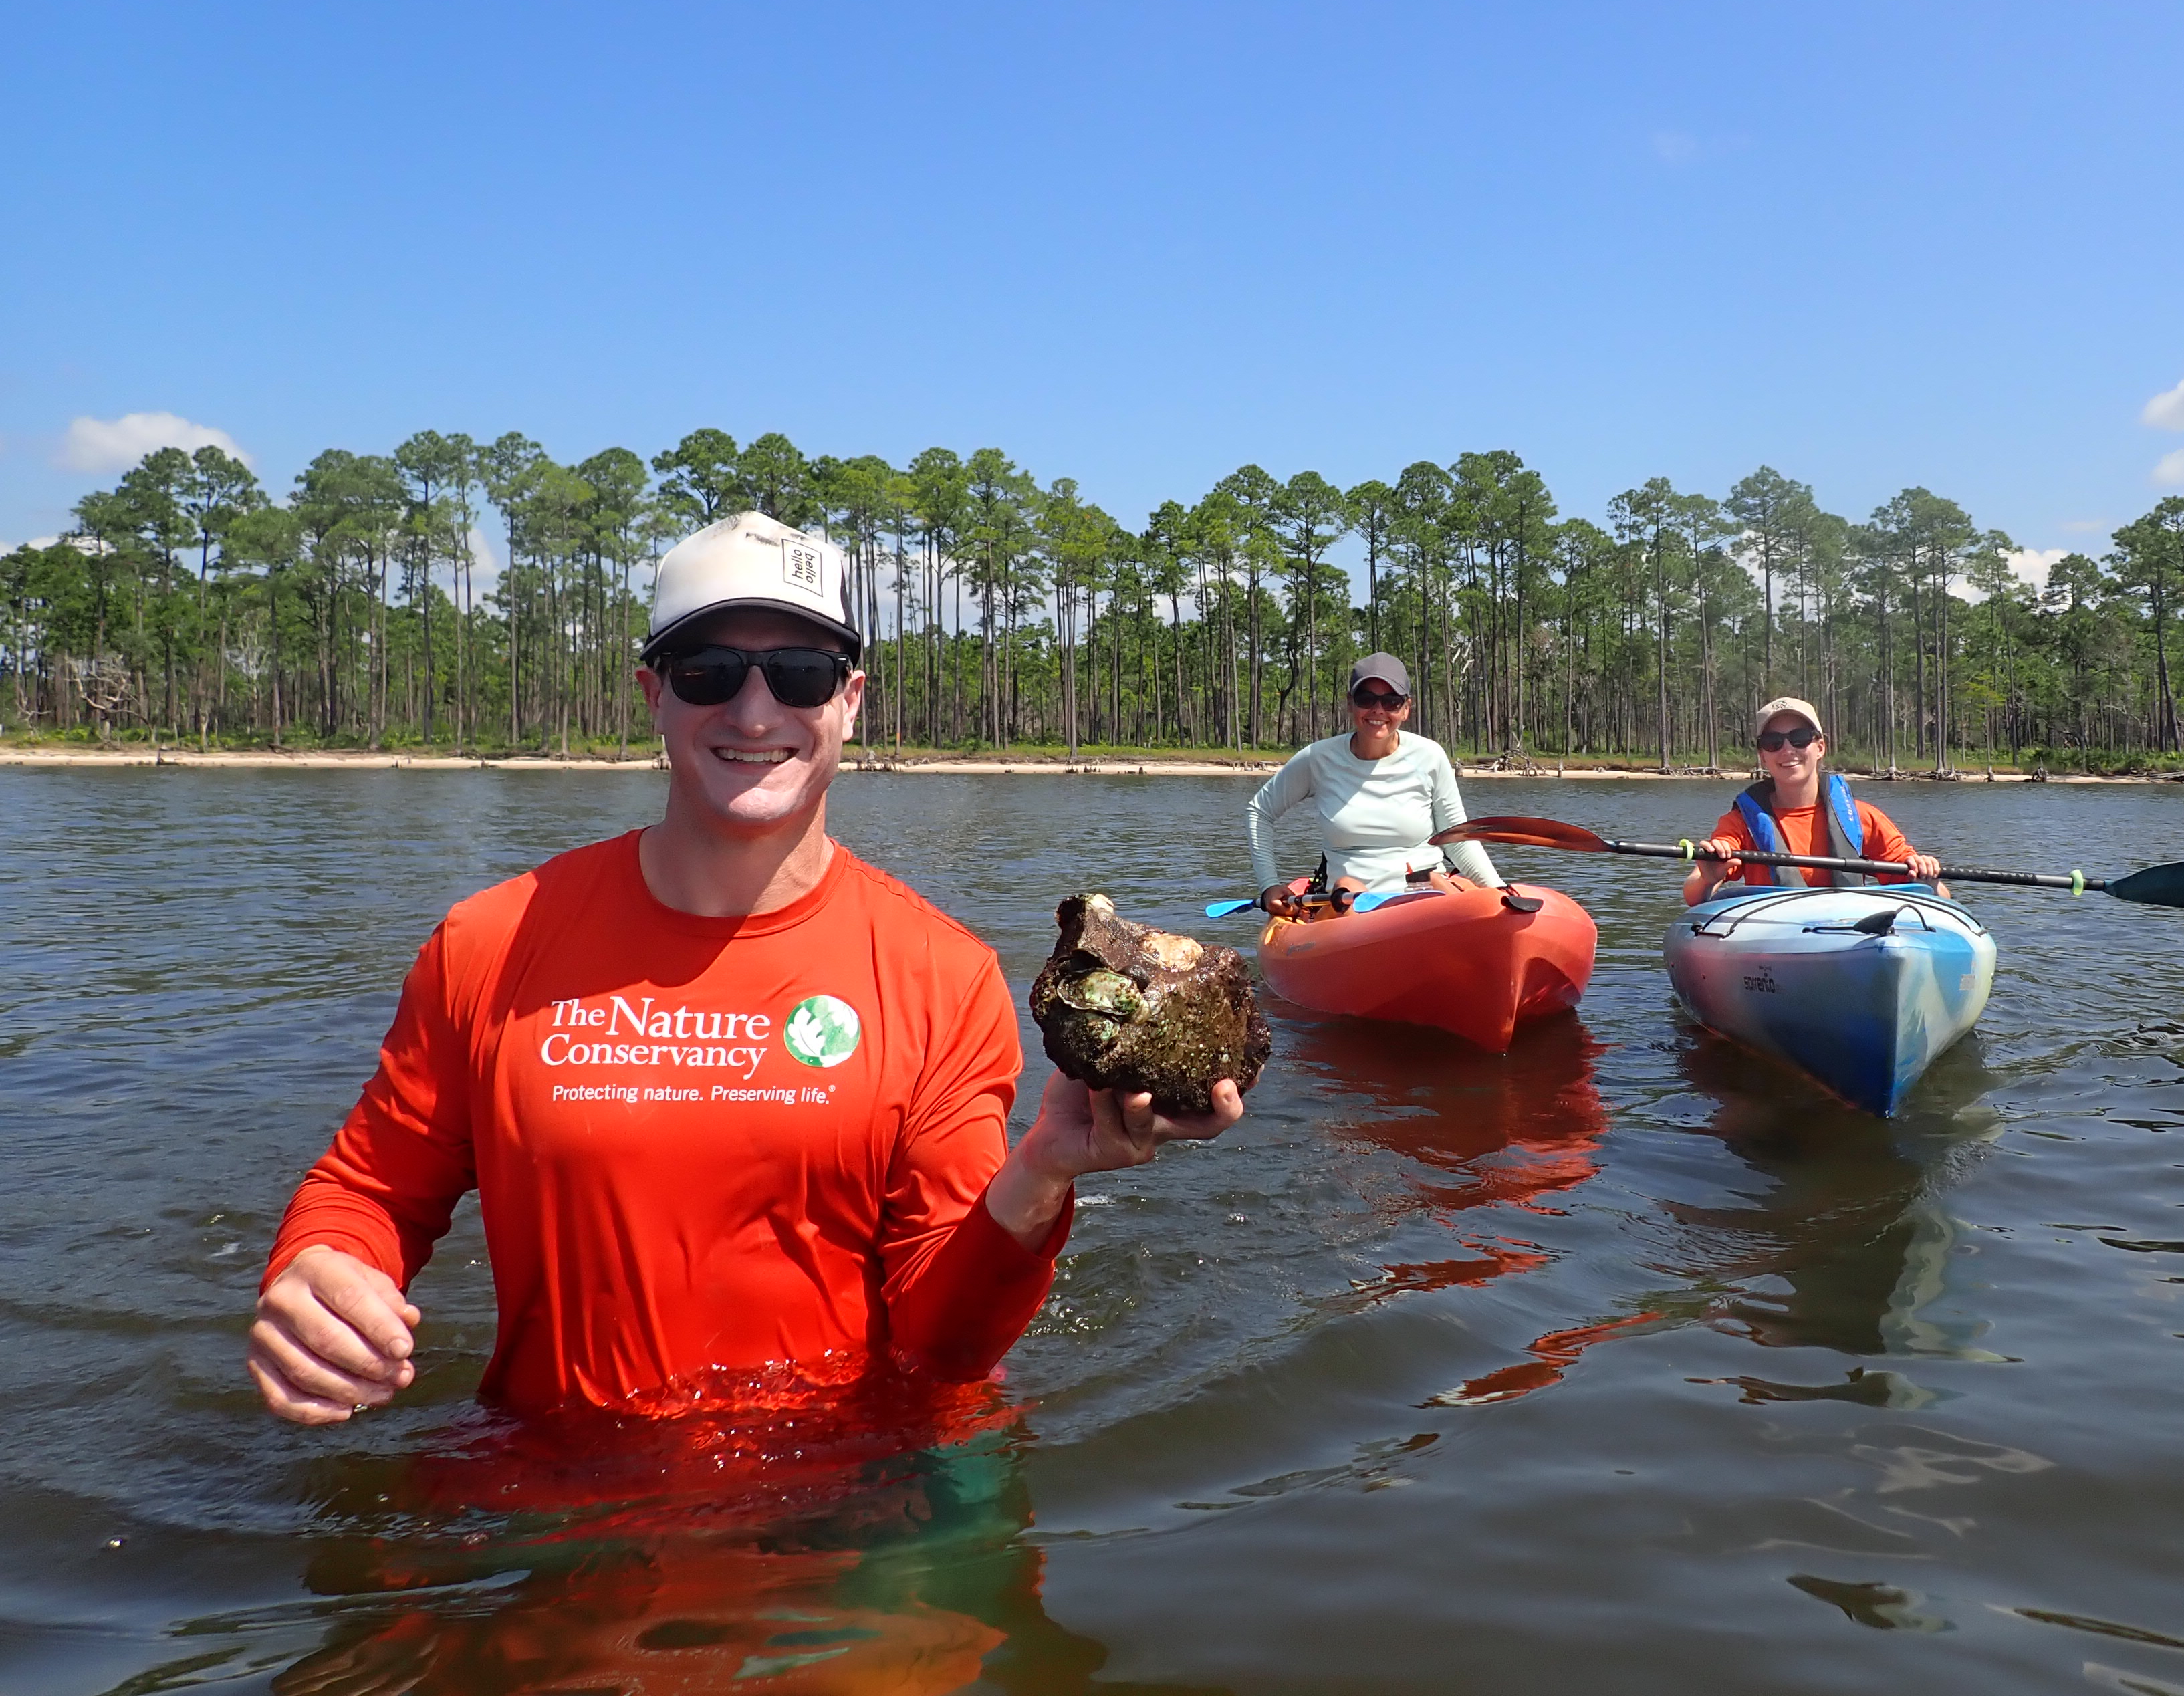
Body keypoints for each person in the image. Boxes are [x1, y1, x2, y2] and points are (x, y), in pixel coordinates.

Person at [247, 511, 1240, 1425]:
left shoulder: (944, 976)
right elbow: (372, 1187)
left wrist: (1040, 1175)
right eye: (710, 670)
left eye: (802, 673)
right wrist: (321, 1269)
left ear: (850, 700)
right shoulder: (491, 942)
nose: (757, 711)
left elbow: (943, 1348)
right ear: (654, 694)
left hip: (848, 1509)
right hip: (554, 1489)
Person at [1246, 652, 1508, 919]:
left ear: (1406, 708)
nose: (1378, 710)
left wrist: (1498, 890)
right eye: (1366, 699)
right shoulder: (1317, 759)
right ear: (1351, 703)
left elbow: (1458, 839)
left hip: (1424, 890)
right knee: (1348, 887)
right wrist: (1269, 885)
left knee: (1439, 885)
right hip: (1348, 900)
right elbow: (1260, 811)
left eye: (1392, 701)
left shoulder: (1430, 756)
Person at [1680, 696, 1945, 906]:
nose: (1787, 750)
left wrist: (1928, 879)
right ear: (1763, 756)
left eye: (1799, 739)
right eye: (1773, 742)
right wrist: (1708, 878)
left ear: (1820, 748)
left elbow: (1939, 898)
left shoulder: (1865, 818)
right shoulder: (1739, 824)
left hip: (1849, 935)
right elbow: (1694, 896)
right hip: (1775, 938)